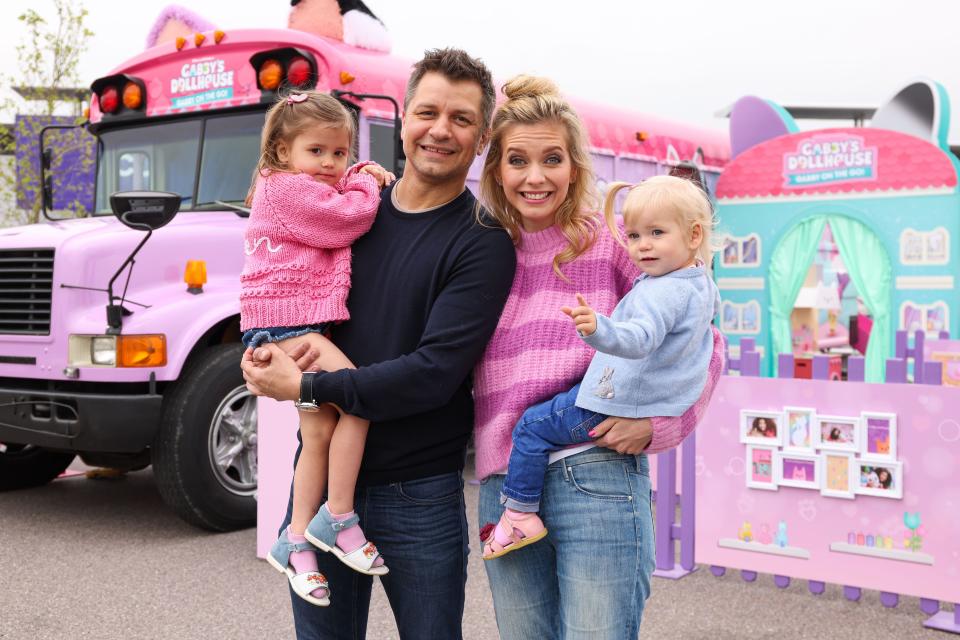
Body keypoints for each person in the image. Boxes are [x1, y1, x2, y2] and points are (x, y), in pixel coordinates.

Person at [241, 48, 516, 639]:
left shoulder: (483, 243)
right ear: (405, 118)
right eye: (428, 111)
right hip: (319, 486)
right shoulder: (349, 215)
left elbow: (434, 372)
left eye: (462, 118)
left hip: (418, 493)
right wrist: (261, 355)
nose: (440, 130)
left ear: (482, 135)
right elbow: (285, 291)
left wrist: (308, 384)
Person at [472, 75, 726, 639]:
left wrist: (660, 424)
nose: (535, 177)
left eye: (552, 158)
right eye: (517, 160)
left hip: (597, 469)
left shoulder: (616, 242)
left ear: (574, 165)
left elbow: (705, 342)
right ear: (496, 171)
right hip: (503, 482)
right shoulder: (482, 254)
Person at [481, 174, 719, 559]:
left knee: (530, 427)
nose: (642, 247)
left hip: (608, 404)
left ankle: (519, 515)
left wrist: (598, 328)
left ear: (693, 236)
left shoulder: (661, 289)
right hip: (621, 402)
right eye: (635, 236)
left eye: (656, 233)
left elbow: (641, 338)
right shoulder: (697, 283)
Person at [240, 90, 397, 606]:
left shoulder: (282, 185)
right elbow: (347, 220)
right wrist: (365, 181)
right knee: (358, 400)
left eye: (340, 153)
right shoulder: (286, 190)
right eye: (317, 151)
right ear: (283, 152)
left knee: (319, 430)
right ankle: (341, 517)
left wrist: (353, 174)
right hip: (292, 328)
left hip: (288, 327)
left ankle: (295, 541)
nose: (330, 163)